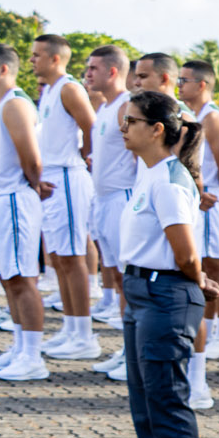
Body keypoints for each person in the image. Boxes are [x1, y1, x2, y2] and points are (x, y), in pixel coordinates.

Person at [109, 89, 214, 438]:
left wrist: (199, 279)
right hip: (142, 290)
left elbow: (185, 253)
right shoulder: (150, 172)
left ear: (157, 129)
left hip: (165, 293)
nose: (123, 129)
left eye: (131, 121)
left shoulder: (171, 180)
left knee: (167, 397)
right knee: (145, 397)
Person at [0, 44, 53, 382]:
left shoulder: (17, 103)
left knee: (22, 278)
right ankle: (21, 346)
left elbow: (31, 157)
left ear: (4, 68)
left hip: (12, 198)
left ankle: (33, 356)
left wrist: (35, 185)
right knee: (9, 277)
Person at [30, 35, 99, 353]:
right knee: (59, 258)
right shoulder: (49, 91)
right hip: (52, 179)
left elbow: (91, 128)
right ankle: (72, 328)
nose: (31, 60)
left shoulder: (70, 88)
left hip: (68, 178)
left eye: (37, 55)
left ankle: (83, 336)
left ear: (55, 58)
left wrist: (82, 157)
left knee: (72, 259)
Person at [178, 59, 219, 405]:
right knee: (203, 266)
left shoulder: (213, 117)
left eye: (184, 81)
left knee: (217, 265)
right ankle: (210, 330)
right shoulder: (185, 115)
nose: (179, 86)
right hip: (198, 198)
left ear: (201, 84)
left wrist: (211, 193)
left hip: (213, 197)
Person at [83, 46, 134, 371]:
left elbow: (140, 155)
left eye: (93, 69)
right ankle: (126, 347)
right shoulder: (104, 107)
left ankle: (134, 351)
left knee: (128, 278)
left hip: (122, 198)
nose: (87, 74)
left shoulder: (126, 106)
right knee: (114, 276)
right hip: (103, 199)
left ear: (113, 71)